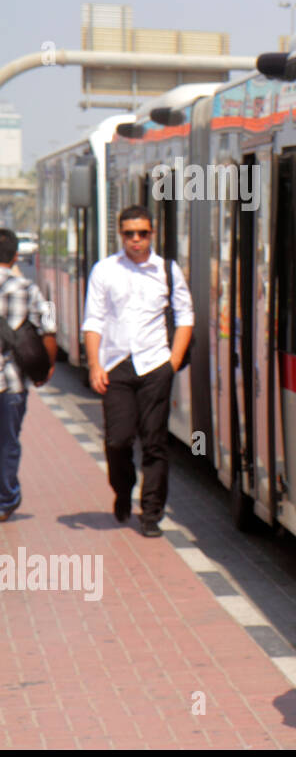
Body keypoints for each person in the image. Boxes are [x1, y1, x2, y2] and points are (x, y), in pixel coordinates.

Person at [82, 205, 194, 537]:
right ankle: (123, 489)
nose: (136, 239)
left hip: (155, 365)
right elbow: (93, 320)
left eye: (142, 233)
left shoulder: (168, 271)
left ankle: (151, 513)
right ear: (121, 234)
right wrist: (94, 364)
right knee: (118, 440)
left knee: (155, 442)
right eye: (129, 233)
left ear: (152, 234)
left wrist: (172, 363)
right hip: (116, 365)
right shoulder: (105, 270)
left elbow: (185, 316)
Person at [0, 229, 57, 522]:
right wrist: (46, 367)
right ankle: (5, 499)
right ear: (15, 256)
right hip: (12, 383)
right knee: (8, 442)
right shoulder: (30, 288)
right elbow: (49, 325)